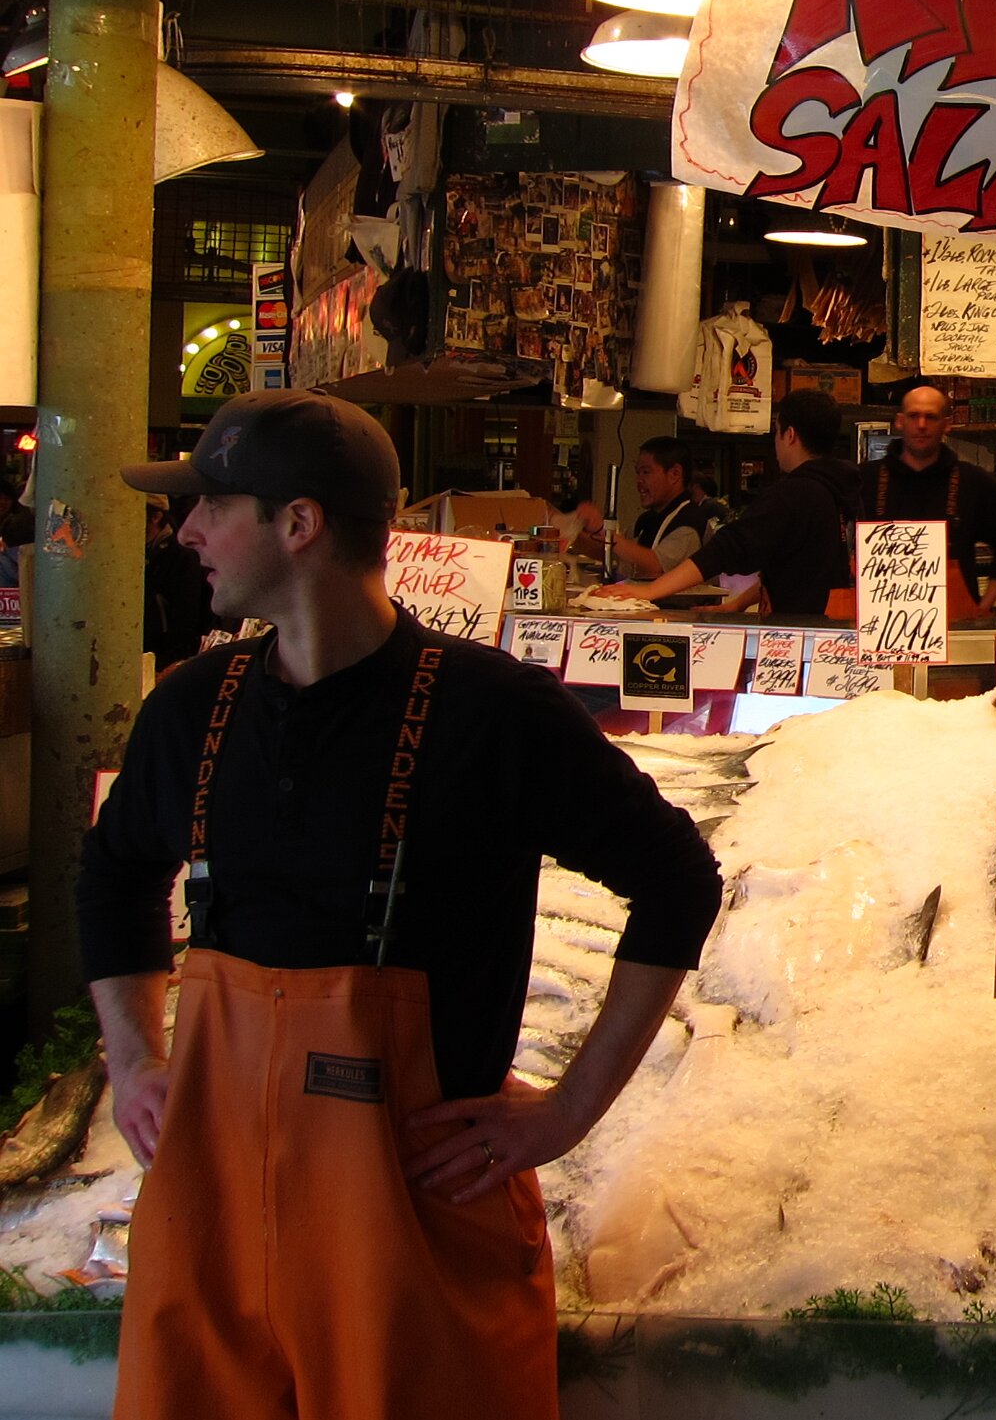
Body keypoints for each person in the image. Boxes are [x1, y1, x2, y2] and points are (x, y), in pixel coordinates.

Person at [80, 386, 721, 1420]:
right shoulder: (191, 709)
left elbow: (677, 879)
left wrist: (570, 1109)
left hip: (413, 1227)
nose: (185, 528)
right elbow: (114, 873)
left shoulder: (493, 712)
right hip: (208, 1222)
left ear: (299, 523)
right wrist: (133, 1061)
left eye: (211, 504)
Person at [597, 390, 858, 616]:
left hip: (800, 634)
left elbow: (726, 549)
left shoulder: (795, 493)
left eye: (776, 432)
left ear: (790, 435)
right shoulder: (844, 489)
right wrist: (737, 605)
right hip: (839, 632)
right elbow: (797, 568)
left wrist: (650, 591)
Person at [860, 384, 996, 615]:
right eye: (913, 416)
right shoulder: (864, 479)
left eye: (931, 417)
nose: (921, 425)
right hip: (878, 621)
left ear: (947, 424)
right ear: (899, 421)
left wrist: (985, 605)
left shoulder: (973, 481)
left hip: (954, 626)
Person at [579, 437, 720, 581]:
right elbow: (608, 551)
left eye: (646, 472)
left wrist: (603, 530)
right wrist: (571, 532)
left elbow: (656, 565)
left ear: (675, 474)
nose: (639, 480)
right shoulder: (646, 520)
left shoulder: (690, 522)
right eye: (638, 473)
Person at [141, 493, 214, 673]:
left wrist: (167, 666)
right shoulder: (134, 553)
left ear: (156, 517)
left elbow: (186, 621)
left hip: (166, 664)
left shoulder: (182, 556)